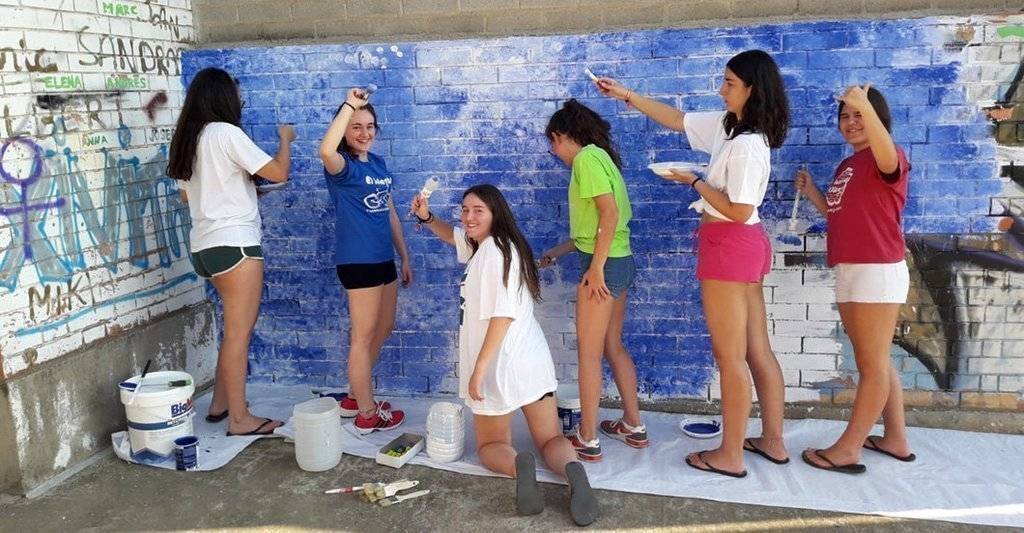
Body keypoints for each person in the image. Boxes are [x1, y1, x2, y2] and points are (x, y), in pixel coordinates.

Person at [596, 49, 790, 477]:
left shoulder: (747, 145)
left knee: (731, 357)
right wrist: (626, 95)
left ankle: (731, 455)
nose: (721, 90)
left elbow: (738, 209)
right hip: (742, 244)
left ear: (752, 90)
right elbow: (677, 119)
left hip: (730, 245)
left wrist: (696, 181)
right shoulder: (732, 127)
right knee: (756, 348)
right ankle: (773, 441)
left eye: (730, 83)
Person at [412, 184, 598, 526]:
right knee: (551, 438)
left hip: (498, 363)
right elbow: (454, 236)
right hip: (531, 360)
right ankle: (573, 471)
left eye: (478, 210)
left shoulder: (493, 254)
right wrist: (426, 217)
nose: (468, 217)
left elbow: (503, 315)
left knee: (490, 445)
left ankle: (518, 467)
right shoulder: (496, 246)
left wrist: (478, 369)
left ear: (495, 213)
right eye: (465, 209)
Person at [168, 67, 294, 436]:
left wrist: (241, 190)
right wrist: (285, 139)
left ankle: (221, 404)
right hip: (235, 245)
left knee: (232, 330)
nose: (240, 101)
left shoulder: (188, 138)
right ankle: (240, 419)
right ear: (222, 97)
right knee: (240, 333)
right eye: (237, 95)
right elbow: (278, 172)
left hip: (205, 248)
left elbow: (186, 195)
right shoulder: (225, 132)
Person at [796, 84, 915, 474]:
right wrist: (813, 192)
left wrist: (864, 104)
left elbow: (887, 153)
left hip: (876, 270)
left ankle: (848, 449)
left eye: (859, 115)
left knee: (871, 365)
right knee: (877, 360)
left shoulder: (888, 157)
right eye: (845, 116)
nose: (851, 122)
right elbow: (839, 216)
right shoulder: (848, 165)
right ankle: (895, 438)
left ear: (877, 119)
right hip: (851, 268)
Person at [540, 99, 647, 463]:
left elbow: (609, 214)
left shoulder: (586, 159)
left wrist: (596, 268)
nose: (554, 152)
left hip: (604, 267)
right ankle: (633, 425)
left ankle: (586, 437)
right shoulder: (601, 158)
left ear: (561, 136)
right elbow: (595, 227)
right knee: (612, 346)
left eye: (552, 143)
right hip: (619, 261)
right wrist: (558, 252)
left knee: (588, 354)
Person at [318, 88, 411, 434]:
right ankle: (367, 412)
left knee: (383, 328)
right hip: (358, 261)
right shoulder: (341, 167)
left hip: (384, 258)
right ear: (344, 130)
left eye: (369, 126)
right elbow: (325, 150)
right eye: (356, 126)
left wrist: (404, 256)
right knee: (362, 336)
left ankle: (356, 396)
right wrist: (349, 105)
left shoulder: (378, 164)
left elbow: (390, 212)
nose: (364, 133)